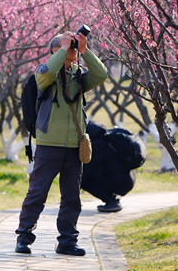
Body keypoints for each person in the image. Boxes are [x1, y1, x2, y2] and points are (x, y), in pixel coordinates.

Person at [15, 30, 108, 257]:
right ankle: (23, 238)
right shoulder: (44, 72)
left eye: (73, 48)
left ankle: (67, 242)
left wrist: (85, 51)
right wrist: (63, 49)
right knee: (37, 193)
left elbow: (101, 74)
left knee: (71, 198)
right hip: (49, 144)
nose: (73, 52)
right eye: (70, 48)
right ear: (56, 51)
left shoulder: (77, 75)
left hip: (74, 146)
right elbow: (46, 74)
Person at [81, 121, 137, 213]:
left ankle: (111, 201)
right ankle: (112, 199)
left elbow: (86, 170)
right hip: (129, 179)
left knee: (83, 180)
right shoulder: (109, 139)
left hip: (121, 183)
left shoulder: (97, 145)